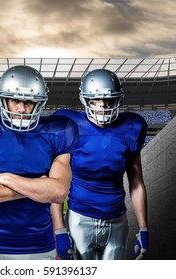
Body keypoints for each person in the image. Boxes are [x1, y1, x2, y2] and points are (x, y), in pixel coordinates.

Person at [0, 65, 78, 260]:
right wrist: (38, 189)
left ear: (39, 103)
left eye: (29, 101)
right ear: (3, 99)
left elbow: (58, 192)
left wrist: (5, 178)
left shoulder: (59, 131)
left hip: (40, 245)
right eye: (15, 100)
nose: (22, 109)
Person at [52, 68, 148, 260]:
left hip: (117, 219)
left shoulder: (132, 127)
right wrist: (60, 229)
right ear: (85, 100)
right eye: (94, 100)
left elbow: (136, 182)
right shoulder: (69, 126)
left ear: (118, 98)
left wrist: (144, 228)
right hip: (80, 217)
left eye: (109, 100)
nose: (102, 106)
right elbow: (55, 183)